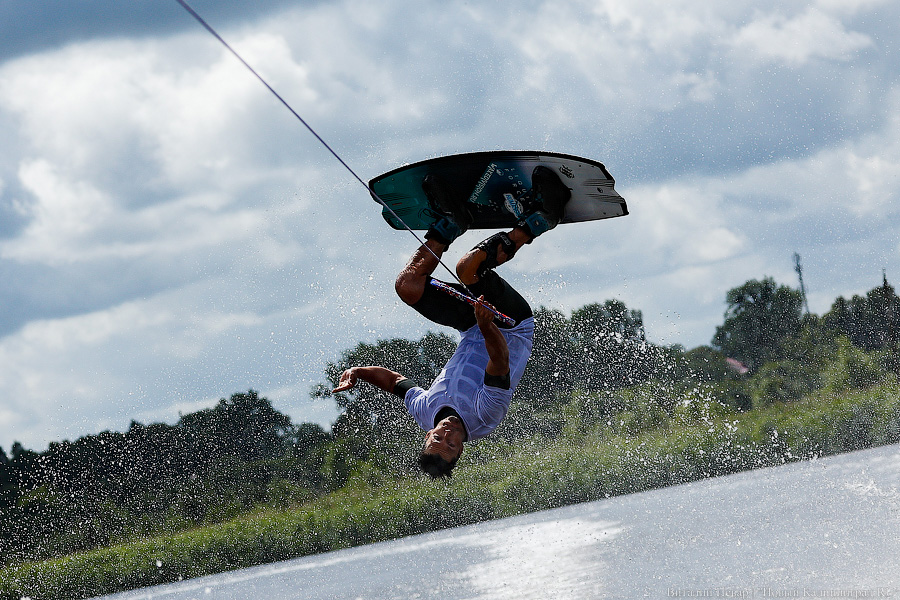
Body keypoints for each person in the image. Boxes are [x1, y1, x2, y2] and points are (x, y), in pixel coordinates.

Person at [333, 166, 571, 477]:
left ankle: (451, 221)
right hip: (511, 326)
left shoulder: (425, 412)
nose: (447, 433)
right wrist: (487, 325)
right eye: (452, 443)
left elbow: (393, 382)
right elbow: (500, 362)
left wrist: (357, 371)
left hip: (473, 325)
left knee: (408, 287)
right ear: (461, 449)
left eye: (438, 439)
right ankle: (541, 218)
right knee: (467, 269)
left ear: (427, 436)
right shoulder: (484, 417)